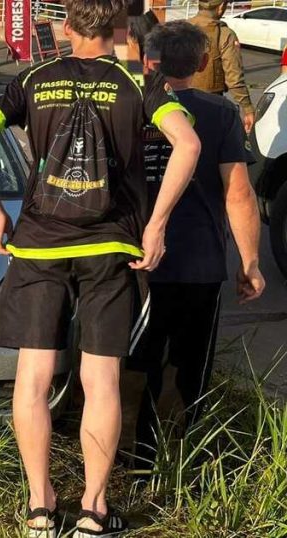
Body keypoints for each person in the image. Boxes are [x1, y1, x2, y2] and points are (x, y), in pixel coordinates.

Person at [0, 1, 201, 536]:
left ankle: (40, 507)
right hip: (111, 248)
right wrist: (156, 224)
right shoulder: (138, 83)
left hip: (39, 245)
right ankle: (94, 509)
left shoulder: (34, 79)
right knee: (101, 378)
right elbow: (188, 143)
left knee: (34, 378)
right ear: (116, 30)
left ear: (67, 29)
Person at [128, 20, 265, 468]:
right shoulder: (219, 113)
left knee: (131, 359)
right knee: (189, 364)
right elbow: (239, 193)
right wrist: (249, 261)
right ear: (204, 63)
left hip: (131, 259)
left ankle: (132, 456)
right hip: (198, 263)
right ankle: (179, 456)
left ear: (149, 61)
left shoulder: (129, 104)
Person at [188, 0, 255, 133]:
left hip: (176, 101)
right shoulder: (224, 34)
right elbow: (234, 78)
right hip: (209, 104)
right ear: (221, 7)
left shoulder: (180, 27)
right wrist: (248, 108)